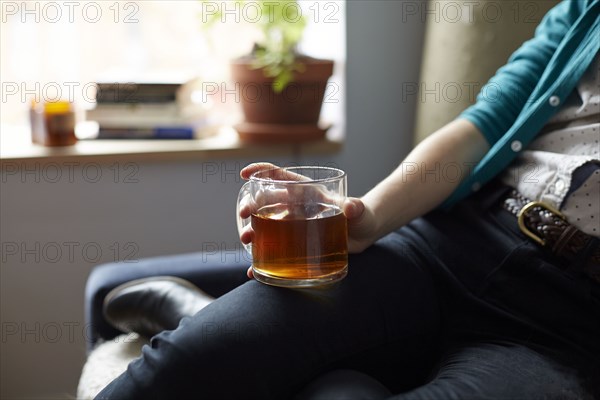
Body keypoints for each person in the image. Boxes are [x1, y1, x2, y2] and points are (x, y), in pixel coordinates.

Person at [95, 0, 599, 398]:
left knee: (335, 390)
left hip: (566, 327)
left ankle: (198, 310)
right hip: (448, 247)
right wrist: (369, 217)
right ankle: (206, 323)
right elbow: (483, 125)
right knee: (192, 361)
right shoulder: (585, 11)